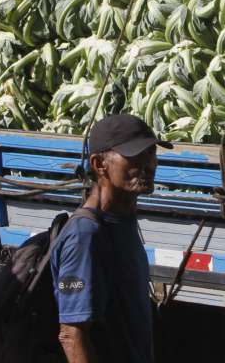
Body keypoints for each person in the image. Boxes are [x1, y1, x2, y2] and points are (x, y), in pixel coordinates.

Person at [52, 114, 171, 363]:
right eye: (134, 156)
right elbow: (72, 336)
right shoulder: (85, 236)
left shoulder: (122, 222)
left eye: (151, 153)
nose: (148, 164)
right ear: (99, 164)